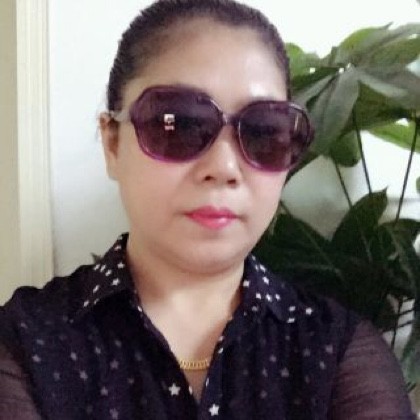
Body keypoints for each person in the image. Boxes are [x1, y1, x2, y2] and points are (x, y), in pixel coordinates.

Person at [0, 0, 415, 418]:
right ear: (112, 143)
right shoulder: (26, 345)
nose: (224, 168)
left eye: (264, 132)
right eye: (178, 124)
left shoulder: (339, 352)